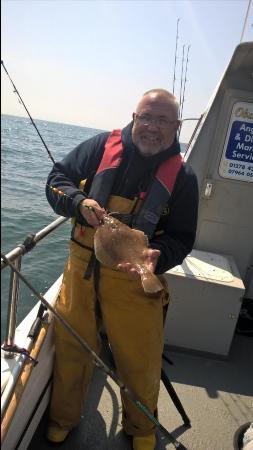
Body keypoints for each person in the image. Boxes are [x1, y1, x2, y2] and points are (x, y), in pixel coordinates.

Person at [45, 88, 199, 450]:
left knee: (140, 360)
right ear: (133, 118)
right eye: (146, 117)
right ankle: (63, 418)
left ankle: (141, 427)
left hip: (135, 281)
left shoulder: (184, 178)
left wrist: (156, 257)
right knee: (71, 348)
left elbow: (182, 238)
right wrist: (79, 203)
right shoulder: (100, 147)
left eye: (163, 120)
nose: (152, 127)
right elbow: (56, 180)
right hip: (81, 272)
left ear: (176, 127)